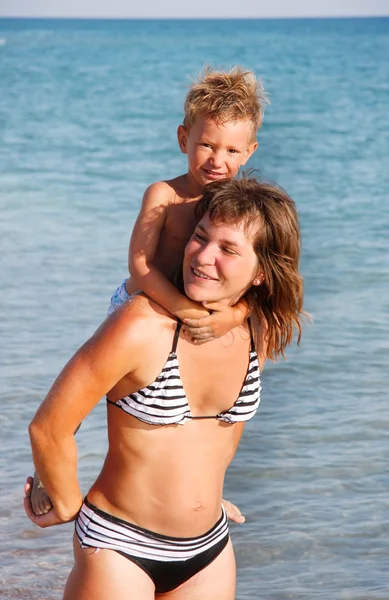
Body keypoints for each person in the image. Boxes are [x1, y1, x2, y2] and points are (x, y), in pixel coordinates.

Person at [25, 177, 305, 599]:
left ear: (263, 272)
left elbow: (224, 437)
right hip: (120, 546)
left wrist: (203, 491)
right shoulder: (141, 324)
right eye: (200, 236)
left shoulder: (256, 329)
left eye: (228, 249)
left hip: (209, 548)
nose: (203, 256)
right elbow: (50, 428)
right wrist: (65, 502)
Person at [30, 65, 267, 516]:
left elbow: (256, 275)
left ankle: (207, 489)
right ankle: (49, 474)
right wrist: (183, 310)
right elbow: (140, 266)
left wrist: (229, 317)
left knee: (223, 406)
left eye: (231, 149)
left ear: (250, 151)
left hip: (197, 315)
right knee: (83, 395)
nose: (217, 160)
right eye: (206, 145)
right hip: (143, 302)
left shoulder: (235, 206)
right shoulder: (164, 194)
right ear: (183, 139)